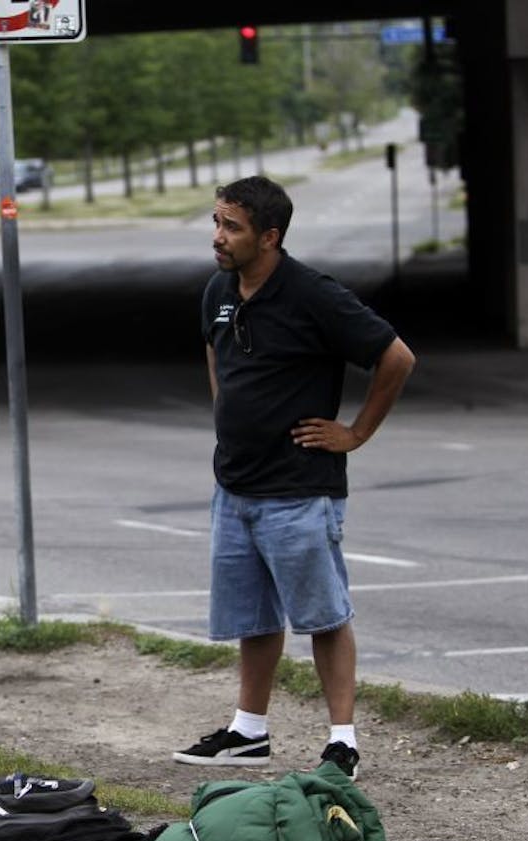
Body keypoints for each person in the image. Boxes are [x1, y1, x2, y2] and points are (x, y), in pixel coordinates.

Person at [174, 176, 416, 780]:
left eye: (231, 227)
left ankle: (342, 741)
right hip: (235, 487)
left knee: (324, 616)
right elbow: (216, 353)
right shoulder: (218, 292)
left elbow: (397, 357)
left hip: (299, 491)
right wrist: (230, 417)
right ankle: (248, 730)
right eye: (216, 222)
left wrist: (355, 433)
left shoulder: (313, 295)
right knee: (253, 618)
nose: (218, 237)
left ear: (270, 236)